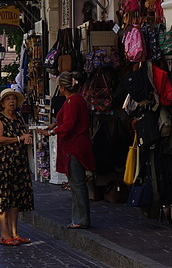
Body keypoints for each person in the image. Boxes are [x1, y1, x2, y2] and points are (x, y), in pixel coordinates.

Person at [39, 71, 96, 229]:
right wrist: (53, 125)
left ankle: (81, 219)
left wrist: (51, 132)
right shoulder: (74, 100)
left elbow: (69, 125)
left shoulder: (73, 102)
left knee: (77, 184)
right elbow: (64, 119)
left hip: (74, 146)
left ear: (62, 87)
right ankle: (79, 217)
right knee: (76, 183)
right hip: (77, 145)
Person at [0, 88, 33, 246]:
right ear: (2, 103)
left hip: (19, 162)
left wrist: (27, 137)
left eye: (13, 99)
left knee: (16, 197)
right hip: (4, 162)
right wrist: (18, 138)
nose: (11, 102)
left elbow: (24, 135)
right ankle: (4, 233)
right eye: (8, 99)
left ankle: (14, 233)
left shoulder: (19, 117)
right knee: (3, 197)